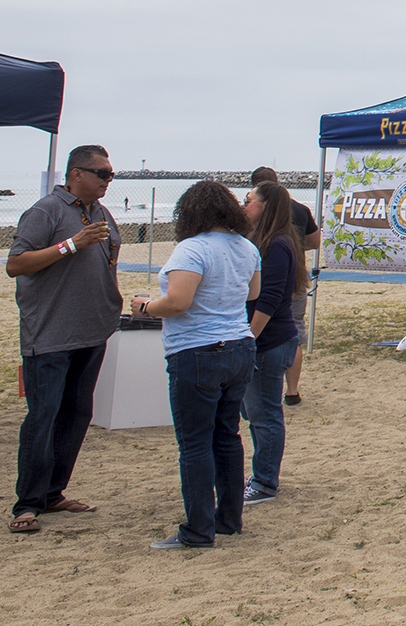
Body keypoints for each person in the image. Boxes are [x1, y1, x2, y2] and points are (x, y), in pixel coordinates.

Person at [130, 181, 261, 549]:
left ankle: (198, 529)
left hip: (198, 351)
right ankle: (229, 519)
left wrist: (145, 306)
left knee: (194, 444)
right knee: (227, 435)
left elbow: (177, 303)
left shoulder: (192, 249)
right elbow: (252, 293)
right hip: (239, 347)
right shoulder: (246, 248)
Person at [7, 144, 123, 535]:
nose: (108, 180)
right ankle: (27, 503)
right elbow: (16, 264)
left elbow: (110, 262)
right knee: (43, 416)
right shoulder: (46, 211)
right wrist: (71, 244)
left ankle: (53, 493)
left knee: (77, 414)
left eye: (111, 174)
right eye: (101, 174)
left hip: (92, 331)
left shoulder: (101, 214)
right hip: (51, 334)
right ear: (76, 174)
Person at [239, 182, 305, 507]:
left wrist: (248, 338)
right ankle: (260, 475)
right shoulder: (261, 241)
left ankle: (265, 482)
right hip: (266, 339)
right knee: (256, 412)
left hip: (269, 341)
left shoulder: (276, 245)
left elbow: (270, 297)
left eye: (248, 201)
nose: (243, 205)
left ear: (265, 206)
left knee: (265, 413)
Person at [249, 168, 318, 408]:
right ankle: (292, 389)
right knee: (293, 330)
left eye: (249, 200)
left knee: (282, 332)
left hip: (274, 282)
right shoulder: (299, 209)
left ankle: (283, 389)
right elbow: (315, 241)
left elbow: (268, 298)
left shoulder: (271, 241)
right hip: (295, 276)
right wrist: (297, 248)